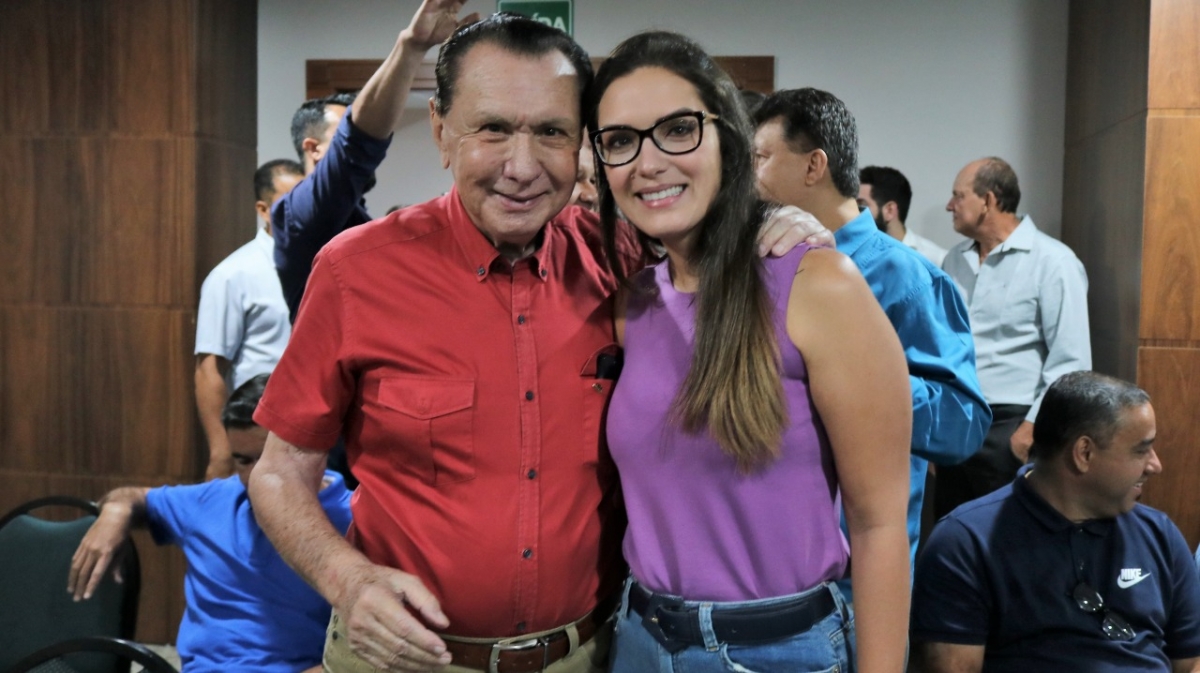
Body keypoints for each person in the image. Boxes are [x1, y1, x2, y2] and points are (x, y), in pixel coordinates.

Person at [249, 4, 828, 672]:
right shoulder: (356, 271)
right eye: (493, 129)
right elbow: (279, 472)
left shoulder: (623, 263)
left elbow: (710, 236)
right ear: (441, 131)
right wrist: (348, 580)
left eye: (552, 132)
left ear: (580, 143)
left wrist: (771, 222)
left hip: (589, 653)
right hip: (403, 658)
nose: (522, 167)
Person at [587, 32, 912, 672]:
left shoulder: (818, 285)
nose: (648, 163)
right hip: (640, 640)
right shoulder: (632, 304)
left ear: (728, 140)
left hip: (775, 651)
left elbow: (879, 526)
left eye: (678, 130)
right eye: (621, 141)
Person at [752, 88, 989, 590]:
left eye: (761, 157)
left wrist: (856, 376)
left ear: (814, 166)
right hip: (763, 572)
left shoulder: (905, 276)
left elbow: (961, 424)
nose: (748, 176)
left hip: (857, 579)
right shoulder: (759, 270)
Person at [911, 371, 1200, 673]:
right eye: (1141, 450)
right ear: (1084, 453)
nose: (1155, 465)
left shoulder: (1159, 534)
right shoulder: (965, 541)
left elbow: (1193, 661)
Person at [68, 375, 352, 673]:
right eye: (243, 460)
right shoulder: (211, 501)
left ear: (310, 448)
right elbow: (134, 497)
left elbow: (366, 654)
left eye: (264, 459)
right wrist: (116, 510)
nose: (254, 476)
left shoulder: (353, 520)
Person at [936, 157, 1092, 518]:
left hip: (1012, 424)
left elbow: (1072, 361)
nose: (949, 205)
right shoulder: (953, 260)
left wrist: (1030, 430)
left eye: (958, 196)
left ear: (988, 201)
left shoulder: (1054, 262)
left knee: (1005, 535)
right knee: (952, 531)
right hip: (957, 420)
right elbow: (944, 345)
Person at [195, 159, 302, 480]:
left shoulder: (322, 261)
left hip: (318, 430)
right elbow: (209, 369)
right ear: (263, 210)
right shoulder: (233, 274)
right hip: (259, 432)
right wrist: (221, 452)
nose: (301, 210)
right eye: (289, 202)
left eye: (305, 200)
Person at [858, 165, 947, 266]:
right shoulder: (849, 254)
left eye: (861, 205)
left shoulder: (935, 259)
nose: (854, 212)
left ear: (890, 210)